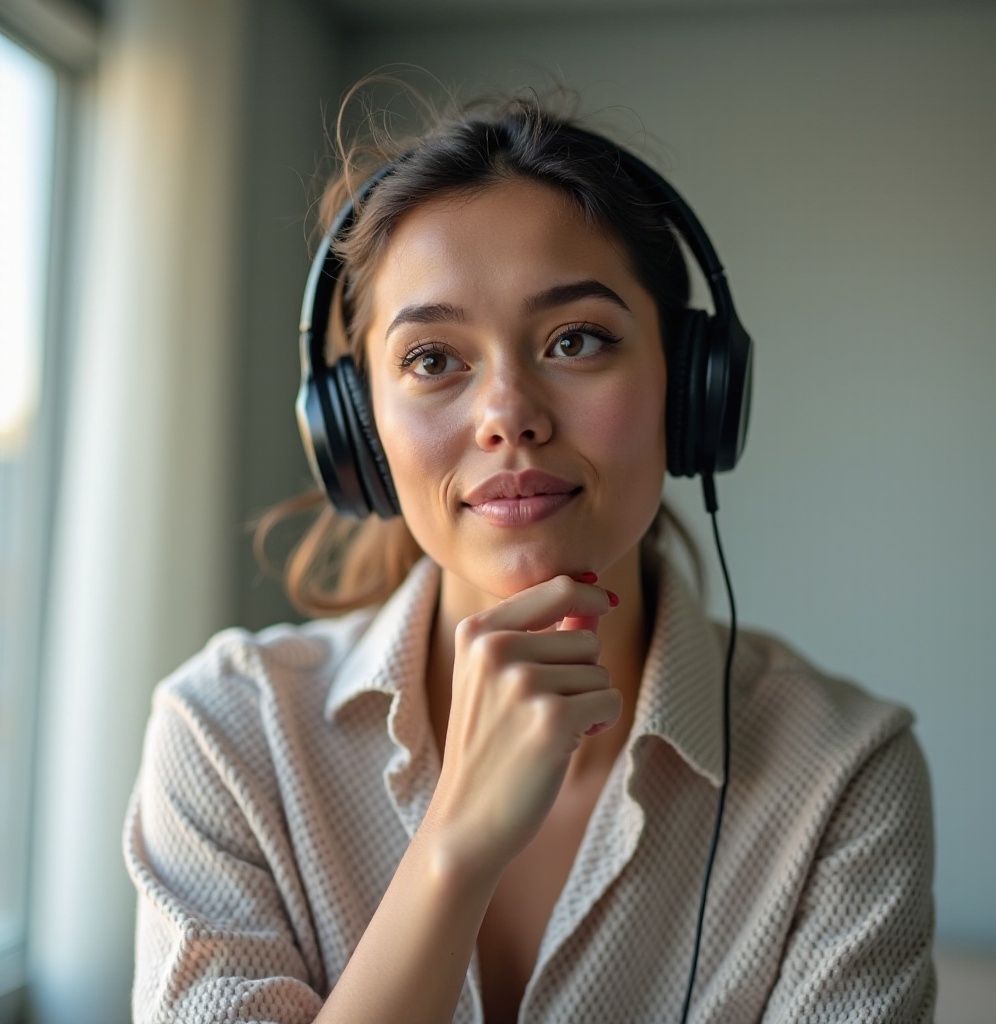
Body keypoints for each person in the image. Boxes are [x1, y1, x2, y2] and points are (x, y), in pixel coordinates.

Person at [124, 89, 936, 1024]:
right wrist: (453, 850)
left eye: (576, 339)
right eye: (433, 359)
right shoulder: (227, 737)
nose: (509, 411)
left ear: (689, 387)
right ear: (360, 430)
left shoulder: (844, 774)